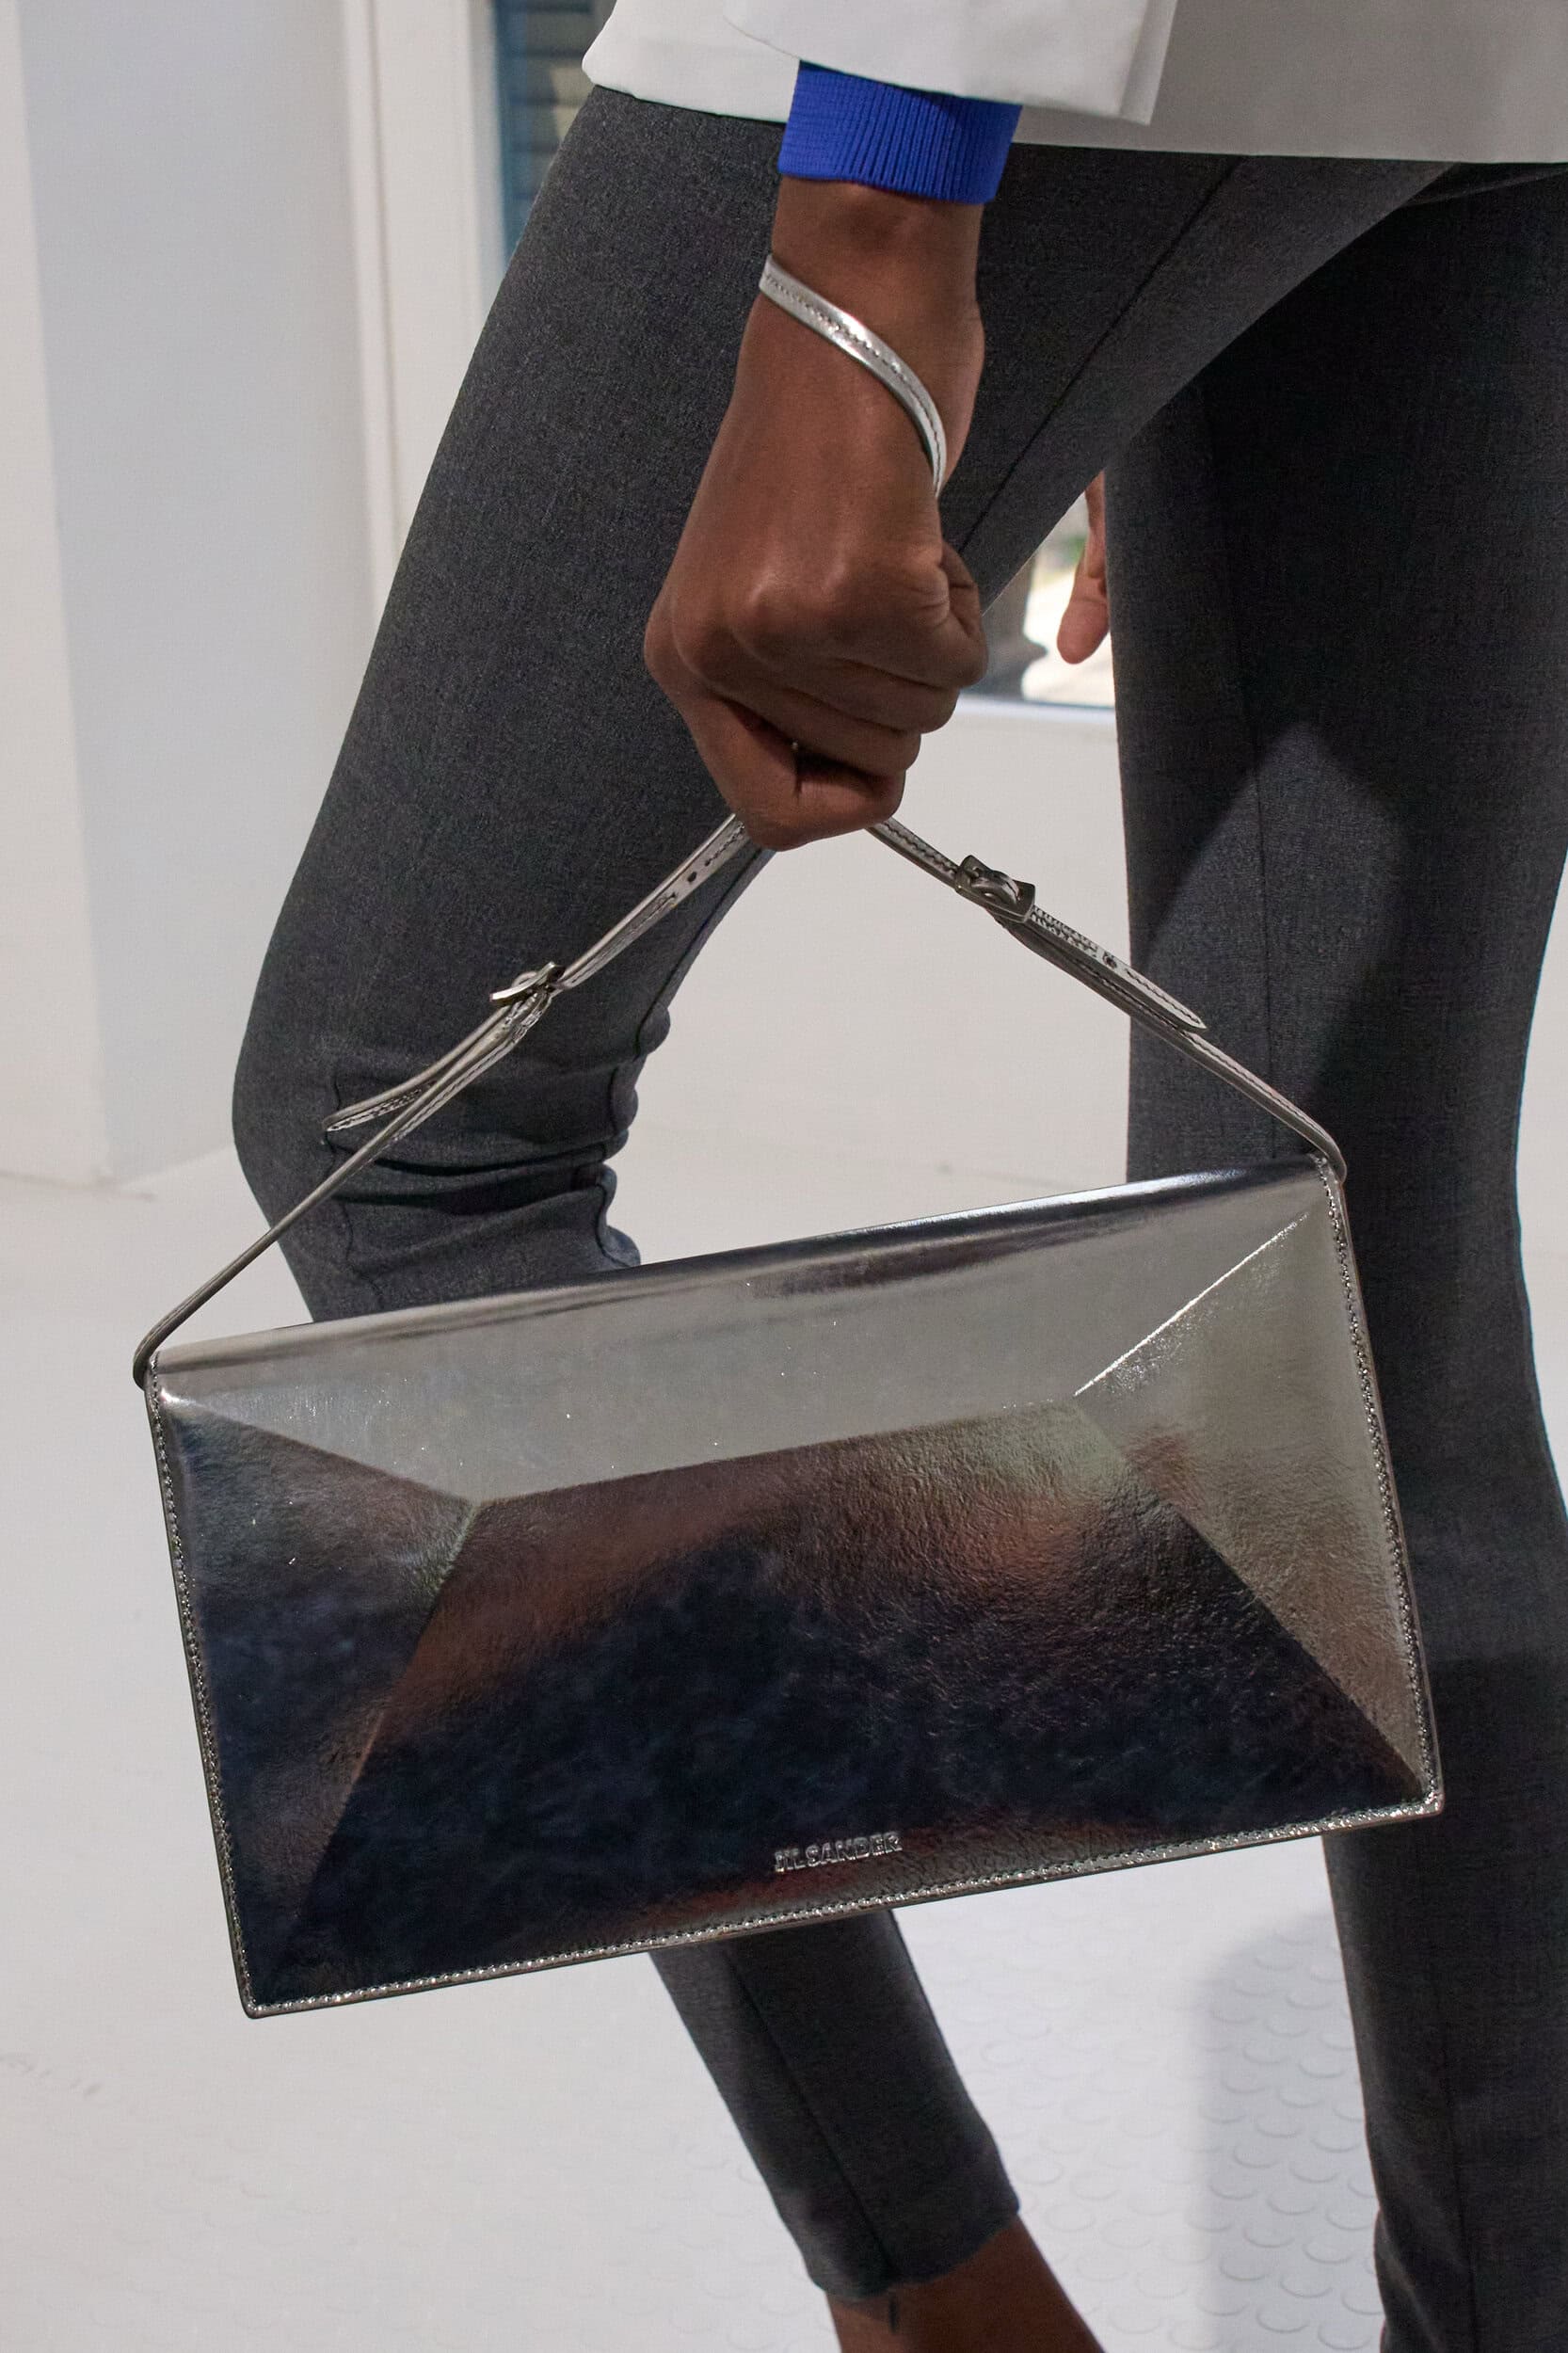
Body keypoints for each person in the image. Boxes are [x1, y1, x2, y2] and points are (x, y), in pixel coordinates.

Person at [232, 2, 1568, 2344]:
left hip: (984, 59)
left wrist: (872, 230)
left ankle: (942, 2302)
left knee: (403, 1118)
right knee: (1349, 1285)